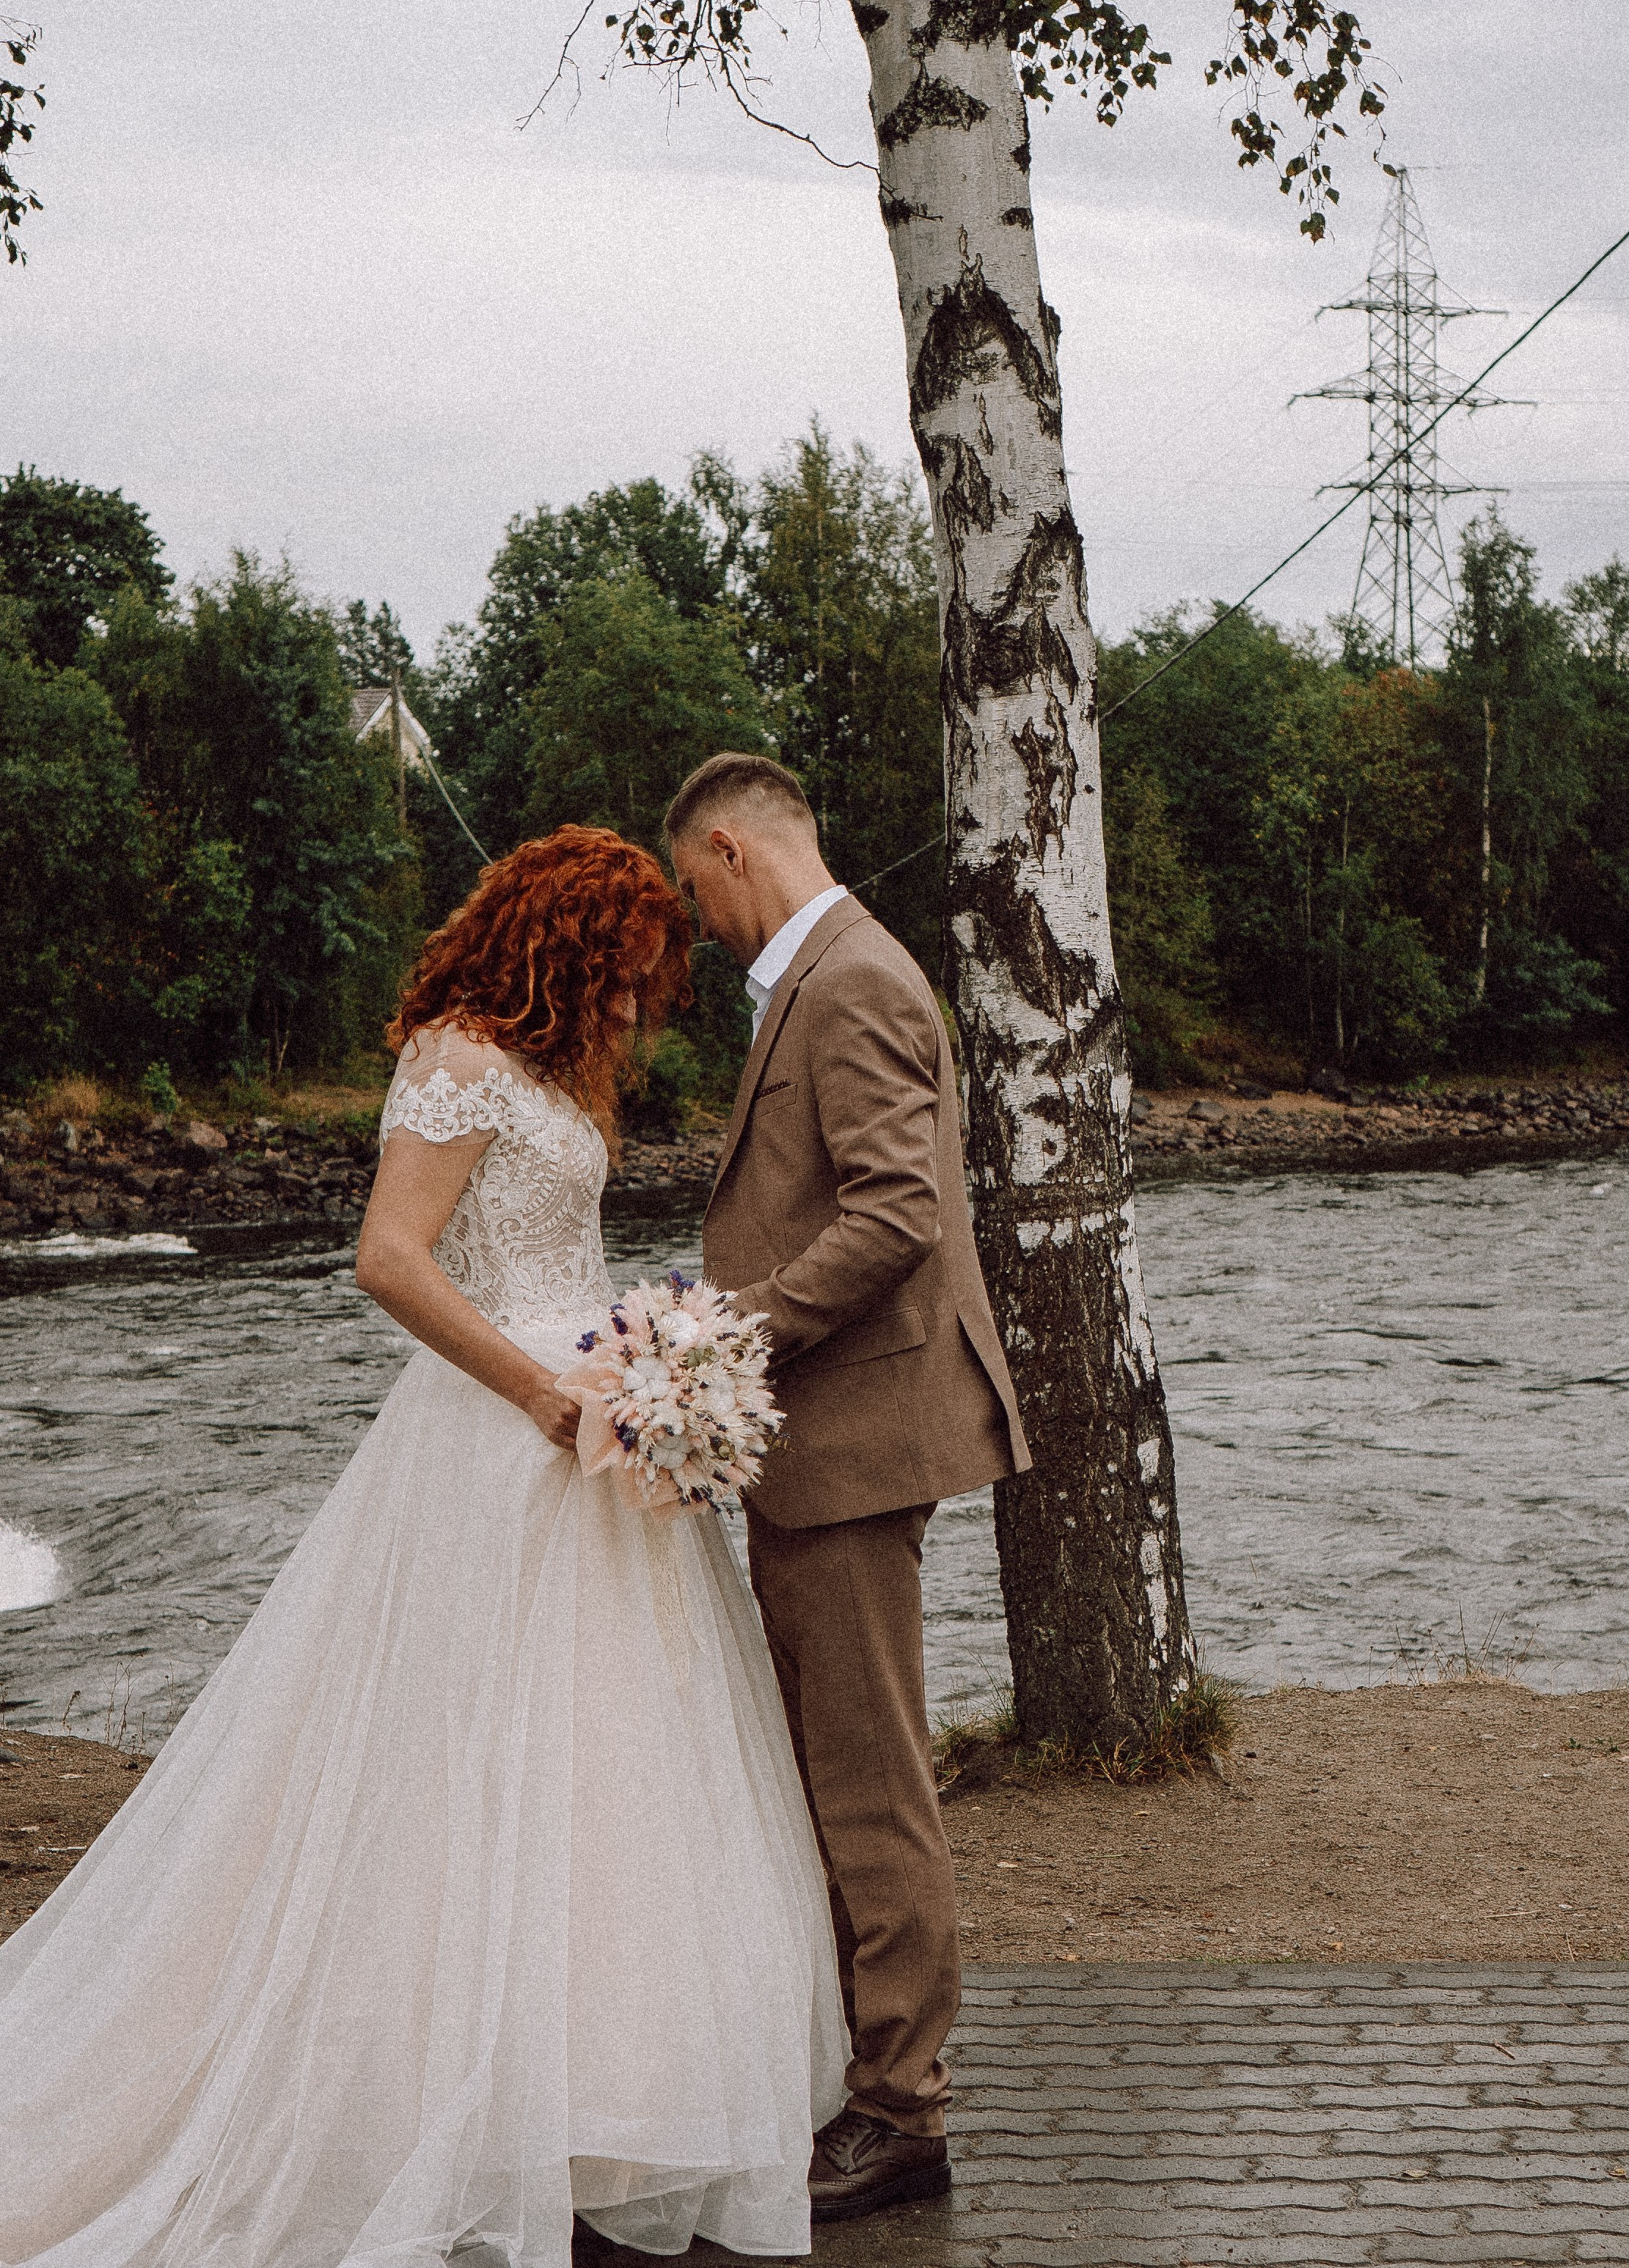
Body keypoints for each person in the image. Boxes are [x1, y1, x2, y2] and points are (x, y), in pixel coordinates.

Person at [0, 825, 846, 2268]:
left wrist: (651, 1366)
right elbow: (388, 1257)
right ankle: (442, 2096)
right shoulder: (459, 1058)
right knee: (469, 1763)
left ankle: (594, 2100)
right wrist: (536, 1390)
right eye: (627, 965)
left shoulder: (562, 1071)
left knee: (612, 1771)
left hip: (601, 1435)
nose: (639, 997)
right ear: (564, 940)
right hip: (500, 1436)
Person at [665, 755, 1031, 2226]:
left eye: (691, 890)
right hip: (823, 1438)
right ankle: (861, 2073)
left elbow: (896, 1214)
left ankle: (901, 2106)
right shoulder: (822, 979)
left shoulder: (855, 980)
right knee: (835, 1773)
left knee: (873, 1785)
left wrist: (726, 1336)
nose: (697, 924)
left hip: (857, 1438)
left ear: (731, 848)